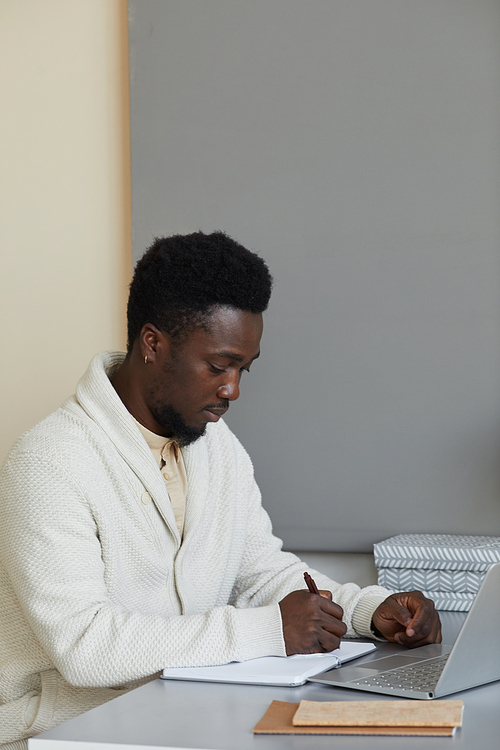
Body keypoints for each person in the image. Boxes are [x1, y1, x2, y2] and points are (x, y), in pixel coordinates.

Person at [0, 231, 441, 746]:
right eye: (218, 366)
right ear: (152, 343)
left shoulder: (215, 444)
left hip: (187, 713)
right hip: (63, 732)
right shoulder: (50, 461)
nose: (232, 390)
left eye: (242, 369)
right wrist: (267, 630)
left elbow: (259, 574)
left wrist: (369, 611)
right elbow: (85, 646)